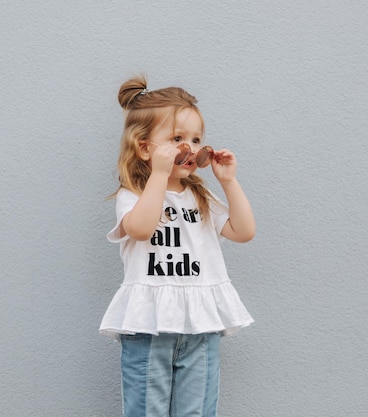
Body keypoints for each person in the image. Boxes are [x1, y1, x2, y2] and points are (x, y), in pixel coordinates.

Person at [100, 75, 256, 417]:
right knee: (146, 410)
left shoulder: (201, 196)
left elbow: (243, 231)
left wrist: (228, 182)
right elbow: (140, 229)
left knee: (197, 411)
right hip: (149, 323)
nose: (190, 147)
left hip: (199, 322)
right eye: (177, 139)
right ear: (144, 148)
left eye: (196, 139)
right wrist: (158, 175)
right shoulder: (134, 196)